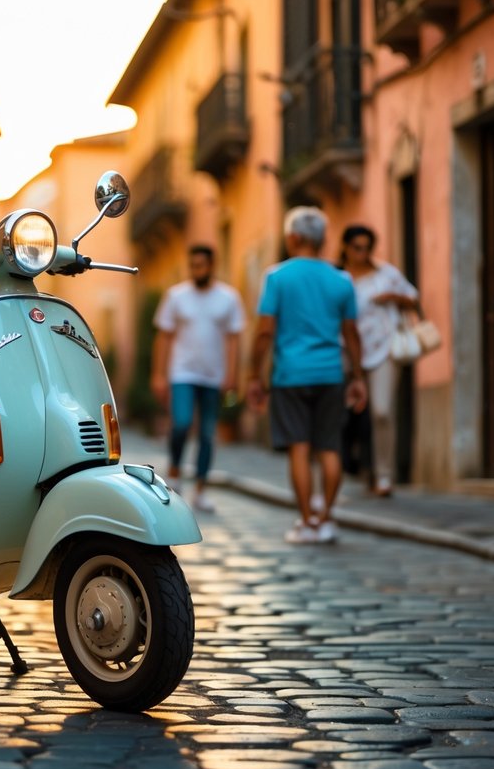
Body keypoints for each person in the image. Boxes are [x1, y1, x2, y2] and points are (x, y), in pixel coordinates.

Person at [247, 207, 367, 544]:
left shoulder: (277, 277)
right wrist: (358, 377)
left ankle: (307, 522)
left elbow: (265, 332)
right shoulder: (342, 280)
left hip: (290, 376)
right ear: (322, 240)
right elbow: (352, 334)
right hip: (331, 374)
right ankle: (327, 518)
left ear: (294, 238)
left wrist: (254, 376)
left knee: (299, 449)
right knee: (330, 448)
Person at [151, 245, 245, 513]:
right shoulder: (176, 296)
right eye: (193, 266)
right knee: (181, 423)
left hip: (213, 376)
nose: (197, 271)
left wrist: (232, 374)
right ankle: (175, 473)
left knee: (207, 433)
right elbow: (164, 336)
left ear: (212, 266)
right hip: (182, 372)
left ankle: (201, 490)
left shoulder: (228, 298)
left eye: (202, 266)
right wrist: (158, 374)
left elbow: (234, 339)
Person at [337, 225, 419, 497]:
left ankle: (384, 475)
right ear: (346, 248)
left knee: (382, 411)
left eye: (367, 247)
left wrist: (393, 297)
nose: (362, 253)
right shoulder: (337, 278)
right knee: (345, 413)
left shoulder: (387, 273)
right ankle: (346, 469)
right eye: (357, 247)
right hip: (345, 352)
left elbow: (414, 298)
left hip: (384, 349)